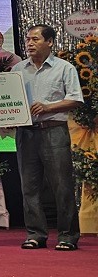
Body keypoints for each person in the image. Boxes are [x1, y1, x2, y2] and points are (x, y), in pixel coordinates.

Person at [12, 24, 83, 251]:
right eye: (28, 39)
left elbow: (76, 99)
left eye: (35, 39)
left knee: (62, 185)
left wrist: (48, 107)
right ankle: (35, 234)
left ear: (50, 42)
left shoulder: (64, 68)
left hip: (54, 130)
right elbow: (10, 101)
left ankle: (67, 236)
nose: (29, 43)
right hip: (25, 133)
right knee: (29, 186)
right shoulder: (17, 69)